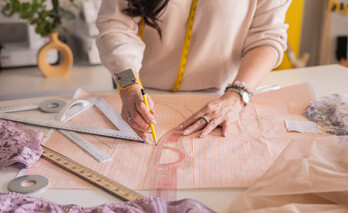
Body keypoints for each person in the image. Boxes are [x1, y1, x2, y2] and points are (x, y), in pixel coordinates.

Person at [96, 0, 291, 141]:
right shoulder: (130, 85)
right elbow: (116, 28)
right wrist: (129, 86)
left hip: (222, 97)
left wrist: (238, 95)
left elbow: (267, 38)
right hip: (138, 87)